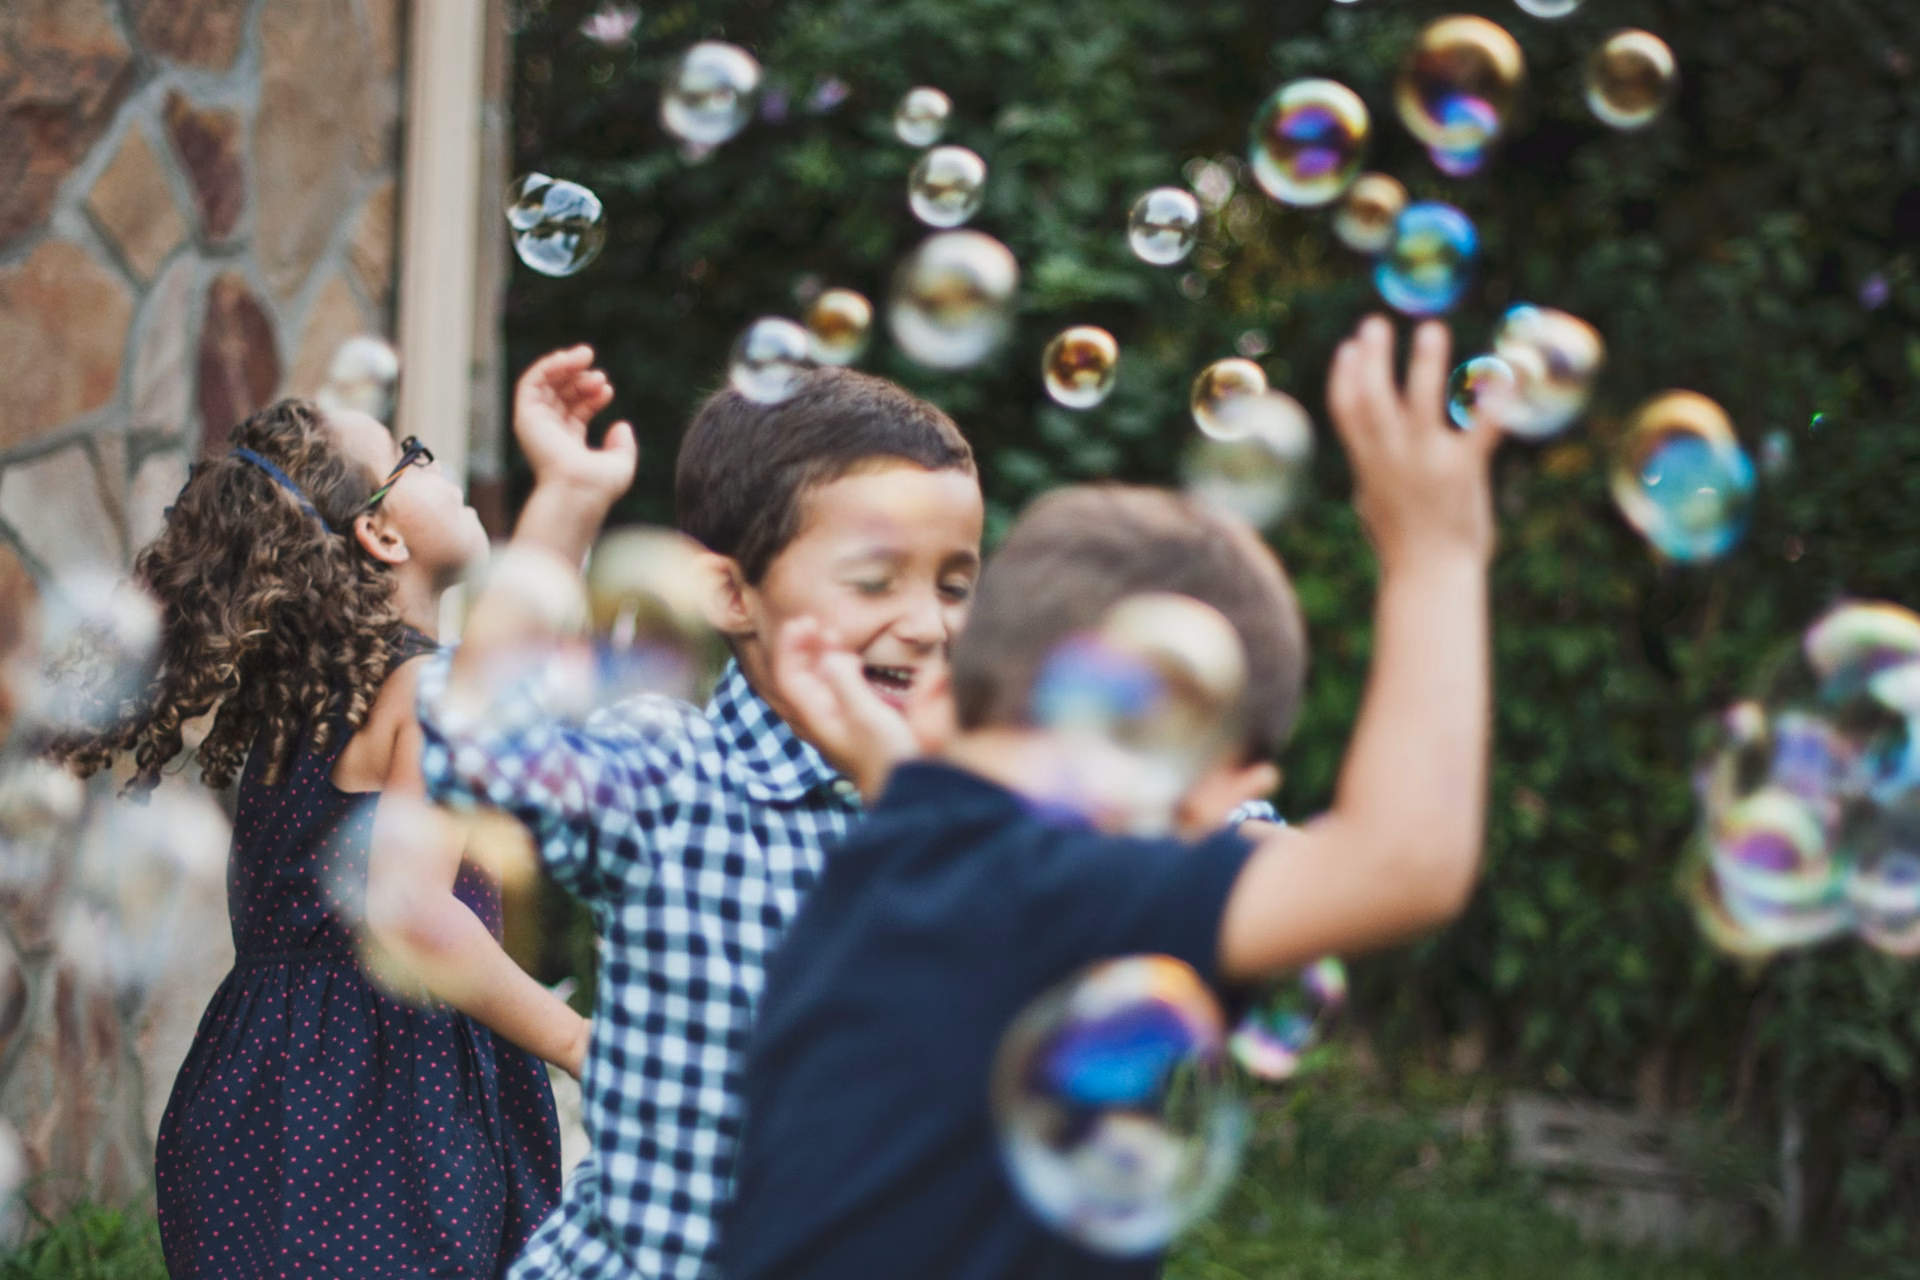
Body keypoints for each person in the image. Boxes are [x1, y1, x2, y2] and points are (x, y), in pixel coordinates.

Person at [717, 314, 1503, 1280]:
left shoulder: (901, 855)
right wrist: (1436, 553)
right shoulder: (1059, 893)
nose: (1240, 803)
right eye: (1230, 764)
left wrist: (901, 756)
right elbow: (1407, 860)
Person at [414, 347, 988, 1279]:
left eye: (954, 584)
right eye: (878, 579)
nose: (928, 623)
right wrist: (564, 501)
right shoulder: (675, 772)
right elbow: (479, 742)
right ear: (731, 592)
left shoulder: (969, 813)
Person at [58, 397, 577, 1278]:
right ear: (378, 533)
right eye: (412, 452)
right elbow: (411, 911)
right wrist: (581, 1043)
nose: (436, 458)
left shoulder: (298, 715)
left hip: (249, 1104)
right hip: (394, 1119)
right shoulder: (429, 690)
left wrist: (570, 489)